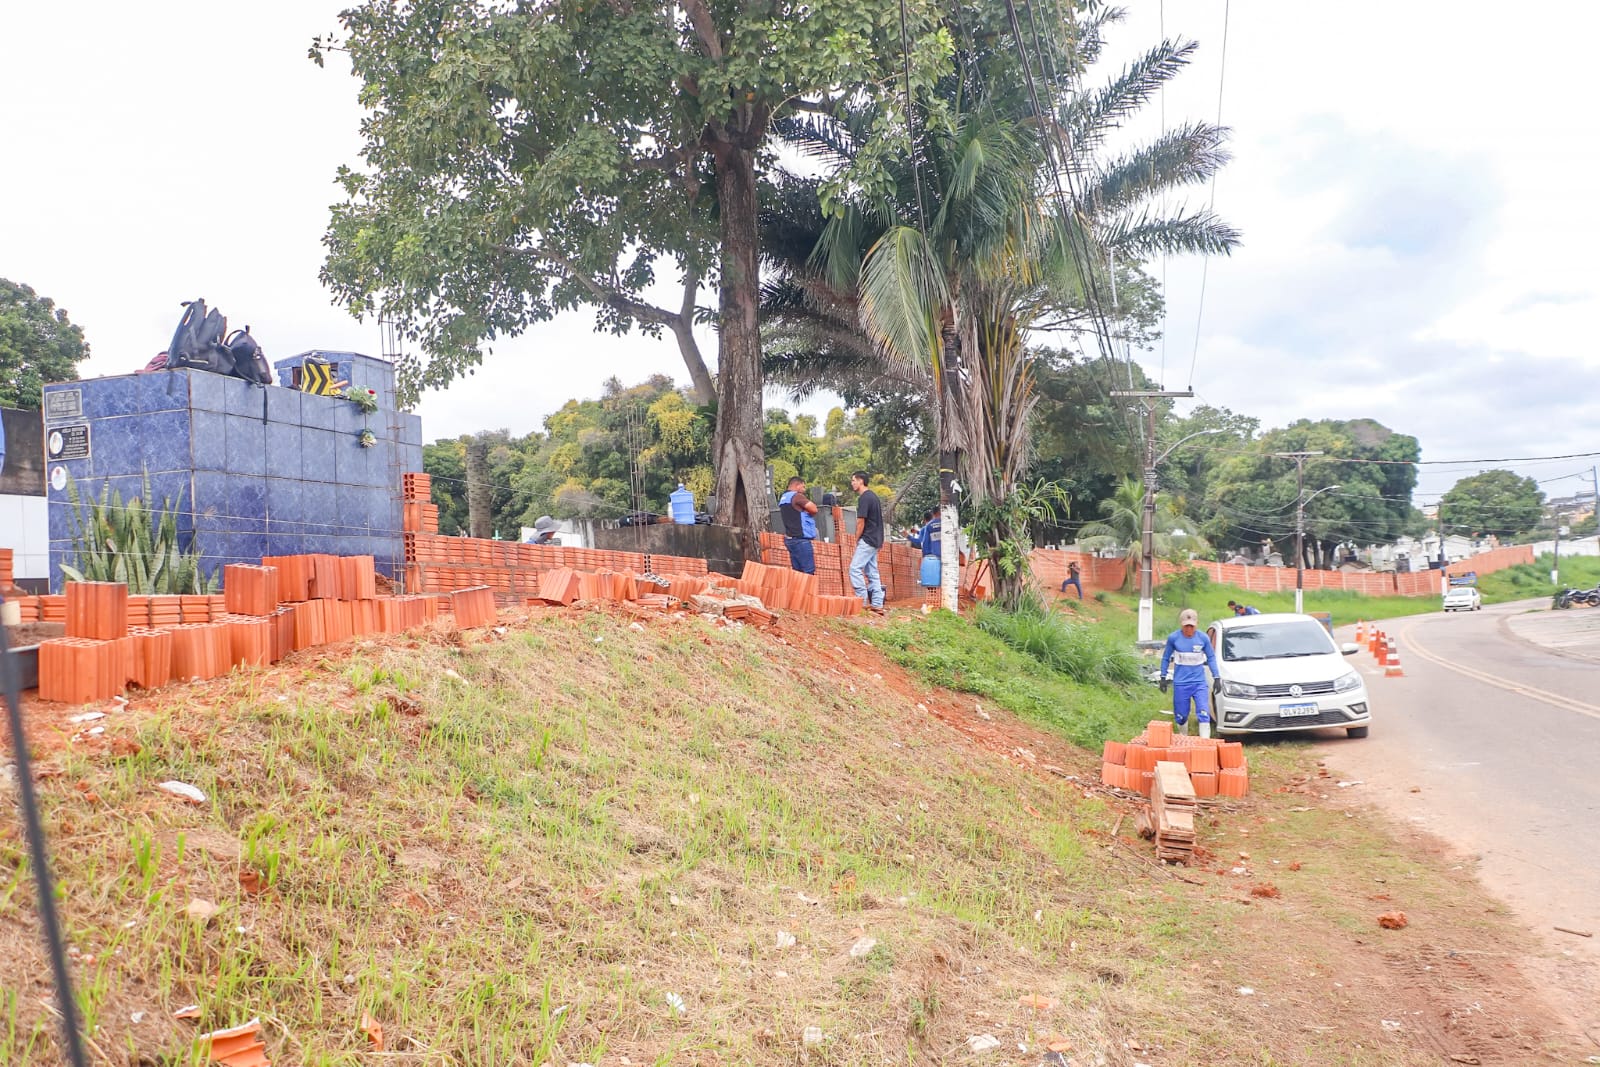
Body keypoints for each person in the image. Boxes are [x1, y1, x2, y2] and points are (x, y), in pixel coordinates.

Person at [1160, 608, 1221, 739]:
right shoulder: (1174, 638)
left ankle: (1205, 743)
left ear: (1196, 624)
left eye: (1191, 626)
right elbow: (1165, 658)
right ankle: (1183, 738)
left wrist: (1216, 677)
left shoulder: (1203, 638)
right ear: (1181, 624)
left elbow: (1211, 657)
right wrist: (1163, 677)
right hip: (1181, 683)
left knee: (1203, 713)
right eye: (1186, 626)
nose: (1189, 629)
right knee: (1181, 716)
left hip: (1199, 683)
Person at [849, 471, 885, 613]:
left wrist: (856, 538)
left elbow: (861, 521)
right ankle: (877, 604)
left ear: (861, 481)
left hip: (868, 539)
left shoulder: (864, 498)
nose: (852, 483)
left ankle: (862, 601)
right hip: (876, 540)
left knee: (854, 568)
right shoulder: (873, 497)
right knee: (872, 572)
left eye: (854, 480)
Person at [778, 476, 819, 575]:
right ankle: (809, 586)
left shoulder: (783, 498)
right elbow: (814, 509)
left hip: (790, 539)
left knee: (797, 573)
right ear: (797, 485)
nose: (804, 490)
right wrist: (808, 513)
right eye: (803, 487)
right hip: (801, 540)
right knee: (808, 572)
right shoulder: (797, 496)